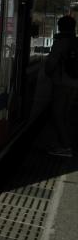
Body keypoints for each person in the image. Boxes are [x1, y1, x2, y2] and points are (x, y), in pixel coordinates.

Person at [45, 15, 78, 157]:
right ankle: (67, 143)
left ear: (60, 27)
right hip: (74, 83)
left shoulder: (60, 42)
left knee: (58, 114)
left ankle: (65, 147)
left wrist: (49, 74)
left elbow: (51, 64)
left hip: (62, 83)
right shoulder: (76, 41)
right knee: (66, 114)